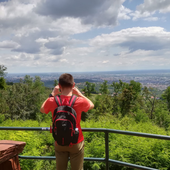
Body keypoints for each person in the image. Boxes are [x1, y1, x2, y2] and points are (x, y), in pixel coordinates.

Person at [40, 73, 94, 170]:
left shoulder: (52, 100)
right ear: (73, 85)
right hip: (76, 140)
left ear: (59, 86)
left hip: (59, 141)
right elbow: (91, 105)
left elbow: (42, 110)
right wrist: (79, 94)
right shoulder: (79, 101)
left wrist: (52, 94)